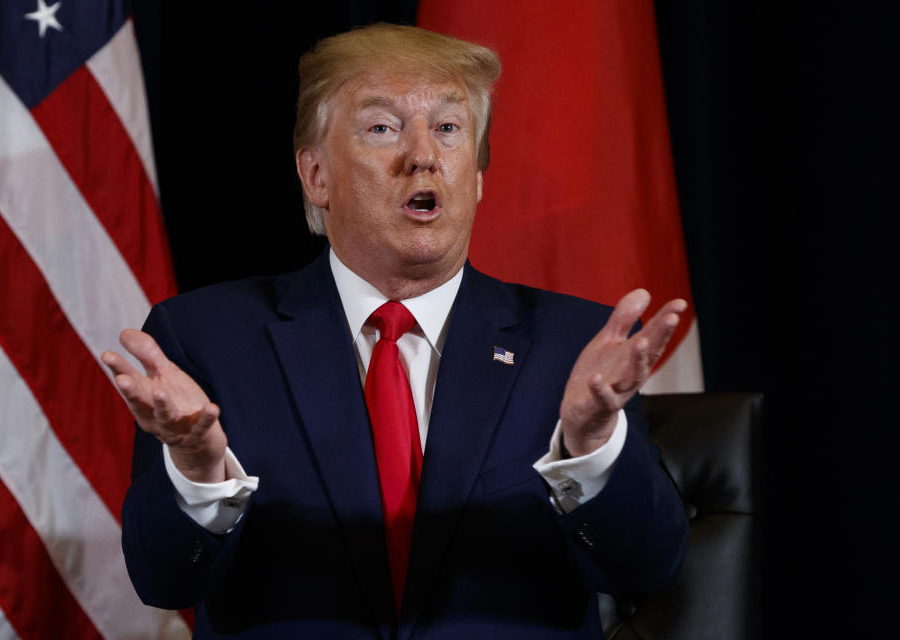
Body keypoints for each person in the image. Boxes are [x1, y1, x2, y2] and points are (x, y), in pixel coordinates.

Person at [102, 23, 689, 639]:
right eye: (383, 128)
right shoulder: (208, 339)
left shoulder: (572, 345)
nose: (423, 155)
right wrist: (197, 470)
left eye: (448, 128)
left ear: (479, 176)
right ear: (316, 176)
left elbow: (646, 569)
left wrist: (592, 448)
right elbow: (164, 581)